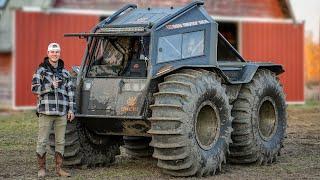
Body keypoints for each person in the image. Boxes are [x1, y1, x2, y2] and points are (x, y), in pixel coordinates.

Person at [31, 43, 75, 178]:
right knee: (42, 140)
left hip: (62, 112)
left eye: (57, 52)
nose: (55, 54)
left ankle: (59, 169)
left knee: (60, 141)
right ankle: (41, 169)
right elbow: (34, 88)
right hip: (46, 111)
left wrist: (71, 109)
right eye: (52, 52)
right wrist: (50, 86)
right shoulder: (41, 71)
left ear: (59, 53)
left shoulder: (65, 73)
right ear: (48, 53)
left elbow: (71, 92)